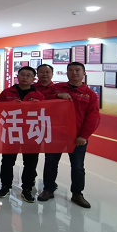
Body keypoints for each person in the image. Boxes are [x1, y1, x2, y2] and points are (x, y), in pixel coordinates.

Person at [38, 62, 100, 208]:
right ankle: (48, 189)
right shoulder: (57, 88)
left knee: (77, 166)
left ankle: (77, 194)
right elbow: (41, 98)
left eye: (78, 70)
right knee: (50, 163)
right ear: (66, 73)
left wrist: (84, 136)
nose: (74, 73)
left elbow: (93, 117)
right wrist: (56, 95)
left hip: (77, 137)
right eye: (71, 70)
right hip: (55, 134)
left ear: (84, 73)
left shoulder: (89, 94)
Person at [0, 66, 45, 203]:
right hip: (11, 131)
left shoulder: (39, 96)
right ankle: (5, 186)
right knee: (7, 161)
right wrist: (10, 105)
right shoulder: (7, 93)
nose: (25, 77)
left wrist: (37, 106)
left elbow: (45, 113)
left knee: (30, 163)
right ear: (17, 77)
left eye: (28, 75)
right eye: (22, 74)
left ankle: (27, 189)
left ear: (34, 78)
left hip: (31, 132)